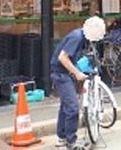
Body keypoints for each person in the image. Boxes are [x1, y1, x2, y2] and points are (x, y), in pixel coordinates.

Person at [51, 16, 106, 150]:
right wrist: (77, 73)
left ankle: (62, 137)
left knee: (66, 106)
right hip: (62, 74)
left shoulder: (80, 37)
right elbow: (63, 57)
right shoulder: (77, 38)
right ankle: (71, 141)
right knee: (72, 107)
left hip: (64, 73)